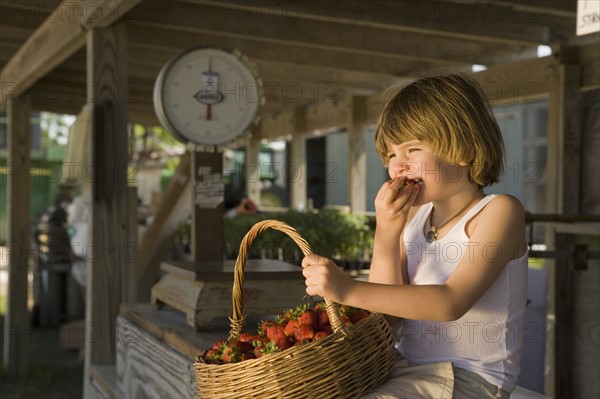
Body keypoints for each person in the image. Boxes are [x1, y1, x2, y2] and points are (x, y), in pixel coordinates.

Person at [302, 74, 528, 398]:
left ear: (462, 150)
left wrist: (347, 289)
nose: (398, 166)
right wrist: (387, 231)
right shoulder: (415, 218)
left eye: (413, 149)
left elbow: (450, 302)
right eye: (391, 154)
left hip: (471, 380)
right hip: (407, 366)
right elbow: (389, 317)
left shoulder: (499, 212)